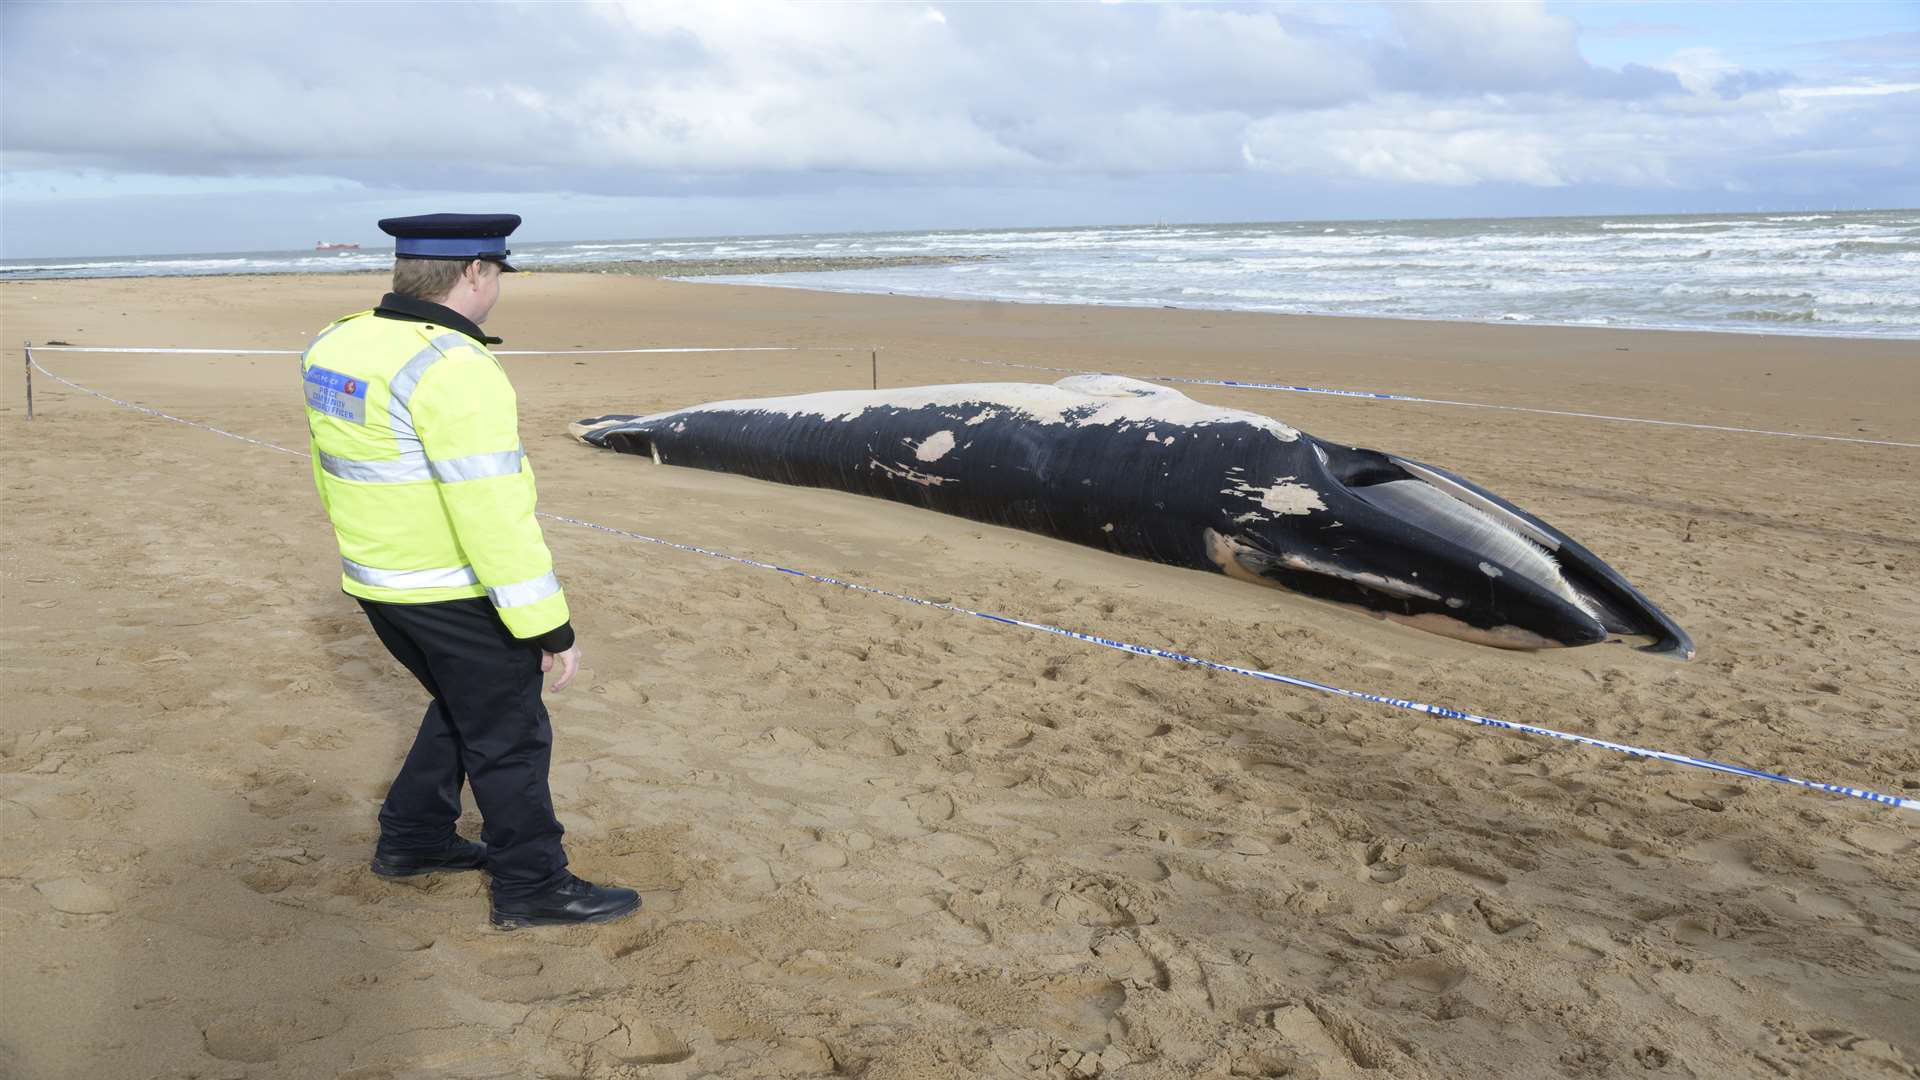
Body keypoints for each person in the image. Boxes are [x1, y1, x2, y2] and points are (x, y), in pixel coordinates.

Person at [300, 212, 638, 929]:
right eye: (498, 275)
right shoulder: (453, 366)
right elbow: (493, 512)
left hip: (376, 580)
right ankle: (533, 885)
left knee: (464, 709)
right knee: (512, 734)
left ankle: (415, 839)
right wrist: (548, 624)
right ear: (477, 272)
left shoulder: (339, 339)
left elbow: (333, 467)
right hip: (451, 590)